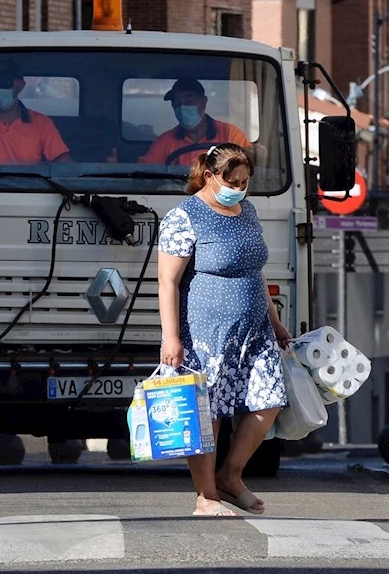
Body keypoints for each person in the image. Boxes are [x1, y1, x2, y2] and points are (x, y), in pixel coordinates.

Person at [156, 143, 293, 517]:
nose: (240, 187)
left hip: (254, 329)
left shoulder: (247, 211)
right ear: (210, 176)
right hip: (206, 332)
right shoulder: (184, 217)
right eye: (233, 181)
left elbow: (256, 269)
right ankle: (206, 496)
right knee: (209, 413)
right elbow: (167, 281)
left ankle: (231, 475)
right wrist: (171, 337)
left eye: (246, 181)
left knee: (270, 400)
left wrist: (275, 320)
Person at [138, 78, 251, 167]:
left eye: (188, 101)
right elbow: (143, 172)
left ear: (203, 102)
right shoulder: (165, 141)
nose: (182, 108)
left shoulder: (230, 134)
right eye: (177, 104)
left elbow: (249, 163)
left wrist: (258, 155)